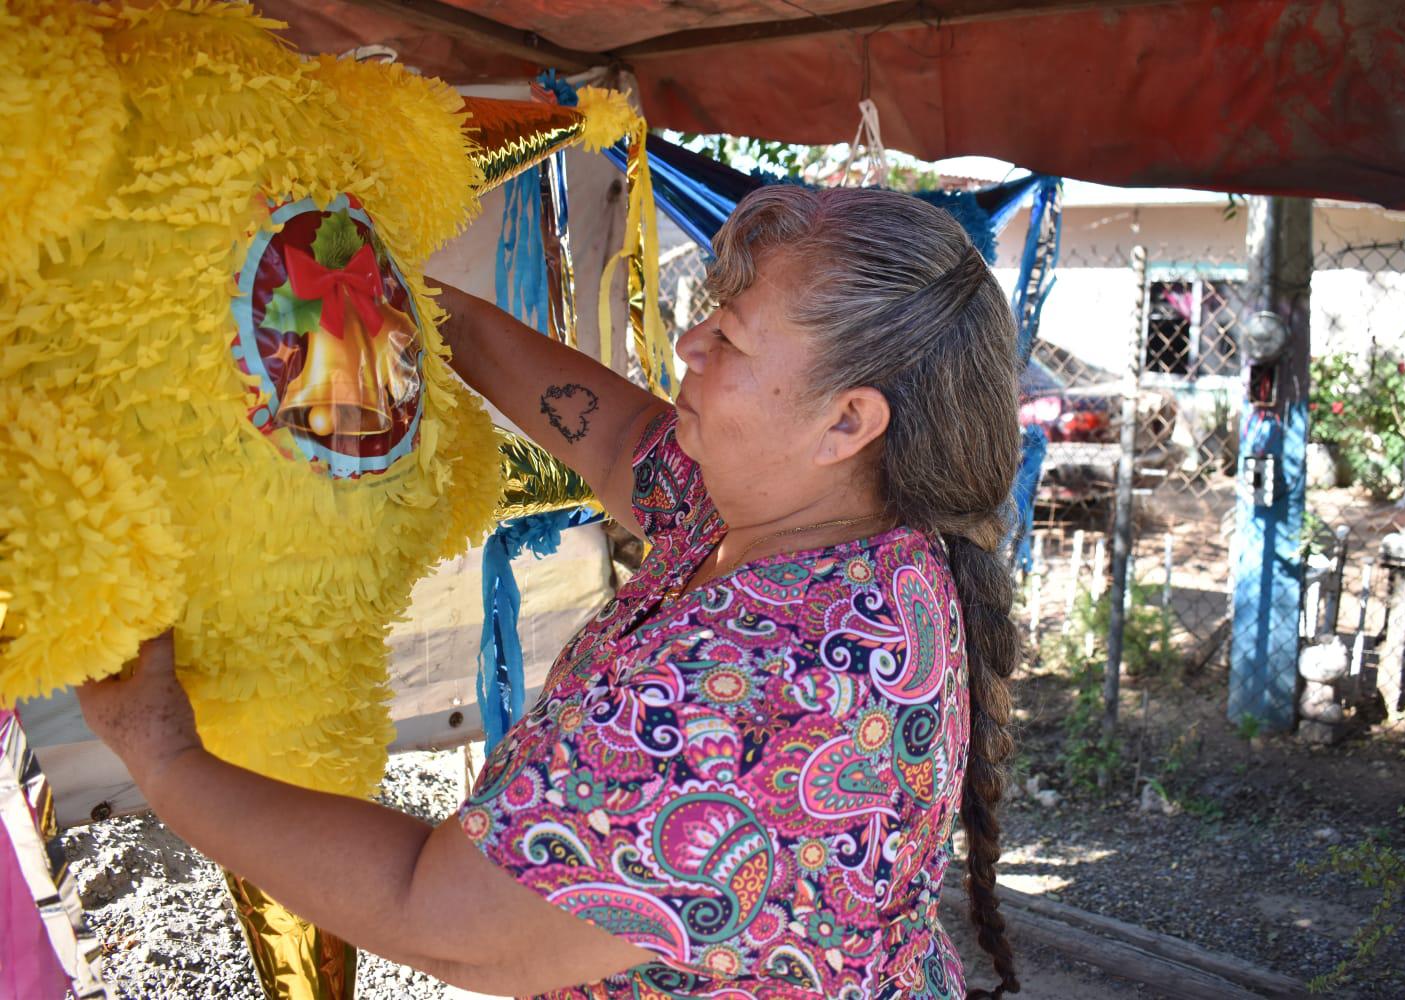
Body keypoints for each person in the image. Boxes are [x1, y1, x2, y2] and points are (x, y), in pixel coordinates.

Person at [79, 185, 1024, 998]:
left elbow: (440, 913)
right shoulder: (812, 518)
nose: (689, 344)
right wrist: (393, 297)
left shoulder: (773, 680)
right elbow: (613, 441)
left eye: (728, 338)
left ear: (848, 420)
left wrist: (165, 760)